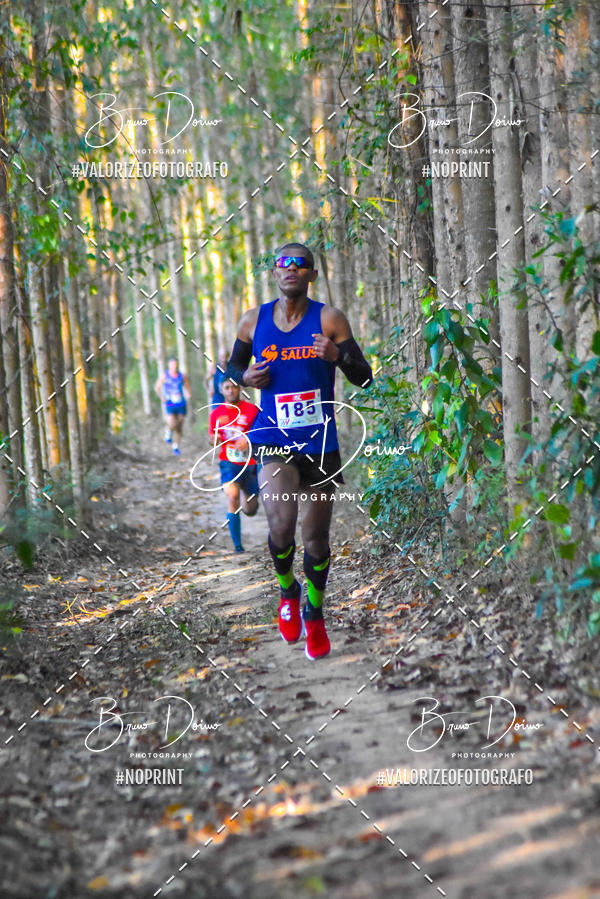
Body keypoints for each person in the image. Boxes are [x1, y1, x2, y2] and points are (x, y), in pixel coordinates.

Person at [224, 242, 373, 660]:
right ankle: (288, 590)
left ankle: (316, 612)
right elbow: (232, 371)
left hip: (320, 443)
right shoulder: (253, 321)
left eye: (299, 264)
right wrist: (245, 376)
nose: (290, 269)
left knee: (317, 539)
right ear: (274, 272)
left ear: (312, 274)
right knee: (282, 525)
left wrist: (338, 355)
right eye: (283, 263)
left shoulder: (329, 319)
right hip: (273, 437)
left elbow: (364, 378)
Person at [208, 379, 260, 553]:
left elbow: (261, 433)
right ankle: (238, 545)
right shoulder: (216, 413)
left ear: (239, 389)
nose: (231, 391)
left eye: (234, 387)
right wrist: (214, 440)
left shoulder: (251, 410)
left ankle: (248, 501)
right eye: (227, 388)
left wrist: (249, 439)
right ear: (222, 391)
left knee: (251, 509)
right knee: (232, 498)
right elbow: (212, 437)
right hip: (228, 462)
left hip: (250, 463)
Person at [154, 356, 191, 456]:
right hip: (170, 403)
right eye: (172, 364)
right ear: (169, 365)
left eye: (175, 364)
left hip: (181, 403)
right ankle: (168, 432)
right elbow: (157, 387)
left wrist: (188, 394)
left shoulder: (182, 376)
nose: (174, 366)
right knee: (172, 423)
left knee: (180, 425)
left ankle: (176, 446)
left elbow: (187, 387)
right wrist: (162, 397)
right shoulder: (165, 375)